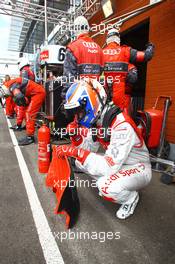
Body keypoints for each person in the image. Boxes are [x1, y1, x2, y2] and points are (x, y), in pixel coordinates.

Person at [56, 80, 152, 219]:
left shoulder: (121, 125)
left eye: (79, 111)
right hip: (120, 163)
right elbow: (88, 149)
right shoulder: (99, 120)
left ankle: (131, 198)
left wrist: (75, 152)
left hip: (139, 167)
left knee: (105, 186)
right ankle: (121, 183)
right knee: (79, 162)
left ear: (91, 103)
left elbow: (108, 167)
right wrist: (76, 137)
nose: (77, 117)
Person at [103, 27, 154, 110]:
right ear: (118, 38)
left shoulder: (101, 53)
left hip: (104, 97)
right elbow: (146, 56)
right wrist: (150, 47)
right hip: (121, 98)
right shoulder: (125, 51)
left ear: (108, 39)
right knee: (122, 120)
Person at [62, 15, 104, 99]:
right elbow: (102, 74)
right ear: (87, 29)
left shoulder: (73, 47)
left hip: (80, 97)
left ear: (75, 29)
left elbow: (69, 78)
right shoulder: (99, 49)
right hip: (97, 96)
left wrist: (65, 98)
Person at [0, 77, 46, 145]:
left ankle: (30, 137)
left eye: (5, 96)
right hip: (34, 93)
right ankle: (28, 128)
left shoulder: (12, 86)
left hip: (38, 93)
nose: (7, 96)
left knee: (29, 113)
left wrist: (20, 101)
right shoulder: (11, 84)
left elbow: (19, 97)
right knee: (26, 111)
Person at [10, 58, 35, 131]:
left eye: (18, 63)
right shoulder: (30, 70)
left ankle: (18, 125)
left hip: (26, 93)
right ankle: (26, 126)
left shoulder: (24, 70)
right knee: (27, 111)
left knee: (20, 108)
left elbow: (24, 82)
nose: (18, 65)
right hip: (30, 93)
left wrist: (17, 87)